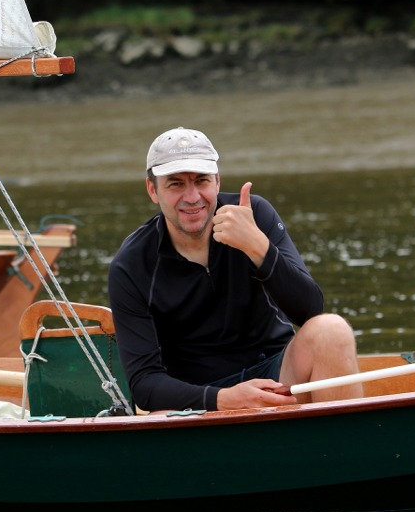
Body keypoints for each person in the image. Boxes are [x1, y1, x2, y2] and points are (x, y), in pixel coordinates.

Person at [107, 127, 361, 412]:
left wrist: (257, 247)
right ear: (153, 190)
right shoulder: (131, 264)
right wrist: (223, 399)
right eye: (175, 184)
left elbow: (311, 310)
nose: (192, 197)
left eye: (201, 181)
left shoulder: (255, 215)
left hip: (277, 378)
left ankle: (346, 452)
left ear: (217, 181)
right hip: (197, 402)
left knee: (332, 330)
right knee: (157, 414)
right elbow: (144, 384)